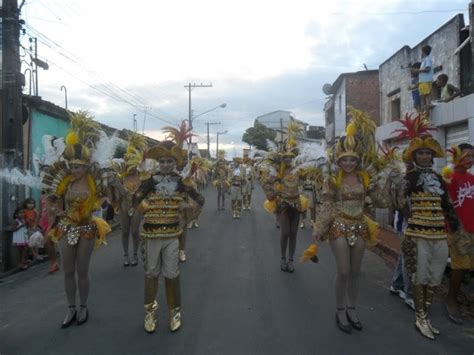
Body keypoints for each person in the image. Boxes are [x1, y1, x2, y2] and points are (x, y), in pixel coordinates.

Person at [312, 122, 393, 334]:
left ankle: (352, 307)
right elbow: (327, 205)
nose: (348, 163)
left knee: (356, 272)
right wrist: (320, 229)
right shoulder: (332, 180)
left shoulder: (364, 178)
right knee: (344, 271)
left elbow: (382, 202)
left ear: (357, 161)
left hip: (360, 227)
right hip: (339, 225)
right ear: (338, 160)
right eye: (344, 159)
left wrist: (386, 180)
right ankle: (340, 309)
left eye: (352, 159)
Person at [392, 113, 463, 340]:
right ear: (414, 156)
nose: (424, 156)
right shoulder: (409, 179)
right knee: (419, 275)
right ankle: (420, 316)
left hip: (438, 235)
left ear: (432, 156)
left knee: (435, 276)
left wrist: (458, 231)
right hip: (416, 233)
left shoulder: (439, 179)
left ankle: (425, 314)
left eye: (427, 153)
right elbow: (400, 205)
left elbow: (448, 207)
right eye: (420, 153)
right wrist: (396, 189)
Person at [42, 112, 111, 328]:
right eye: (73, 166)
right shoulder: (64, 183)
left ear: (86, 166)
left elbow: (105, 200)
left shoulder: (95, 181)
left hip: (87, 228)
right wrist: (57, 211)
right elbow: (51, 201)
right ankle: (70, 308)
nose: (75, 170)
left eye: (79, 167)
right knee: (68, 271)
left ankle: (83, 307)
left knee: (82, 270)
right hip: (65, 228)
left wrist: (103, 201)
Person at [133, 140, 204, 333]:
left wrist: (188, 213)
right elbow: (135, 199)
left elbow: (200, 199)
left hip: (173, 235)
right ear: (158, 162)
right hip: (151, 235)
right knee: (151, 274)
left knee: (172, 274)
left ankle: (175, 312)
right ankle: (149, 311)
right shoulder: (148, 180)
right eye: (162, 161)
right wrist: (147, 206)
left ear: (175, 162)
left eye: (169, 161)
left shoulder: (181, 182)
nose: (165, 164)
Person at [443, 143, 474, 325]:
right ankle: (451, 300)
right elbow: (446, 206)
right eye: (467, 156)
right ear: (457, 156)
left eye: (473, 156)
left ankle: (463, 295)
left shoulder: (471, 178)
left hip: (472, 229)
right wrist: (454, 227)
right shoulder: (449, 178)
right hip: (457, 230)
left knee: (467, 267)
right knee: (459, 266)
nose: (470, 160)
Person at [111, 132, 147, 267]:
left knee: (135, 231)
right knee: (125, 231)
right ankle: (126, 254)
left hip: (137, 207)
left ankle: (135, 254)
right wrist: (117, 186)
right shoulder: (121, 178)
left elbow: (144, 194)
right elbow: (116, 197)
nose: (129, 166)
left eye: (132, 163)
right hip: (124, 207)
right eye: (127, 163)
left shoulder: (142, 177)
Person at [415, 45, 433, 111]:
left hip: (426, 80)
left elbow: (428, 69)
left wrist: (418, 70)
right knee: (422, 94)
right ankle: (423, 105)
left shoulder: (428, 59)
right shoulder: (424, 61)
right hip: (422, 81)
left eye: (421, 52)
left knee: (426, 93)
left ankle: (428, 103)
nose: (421, 54)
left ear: (424, 52)